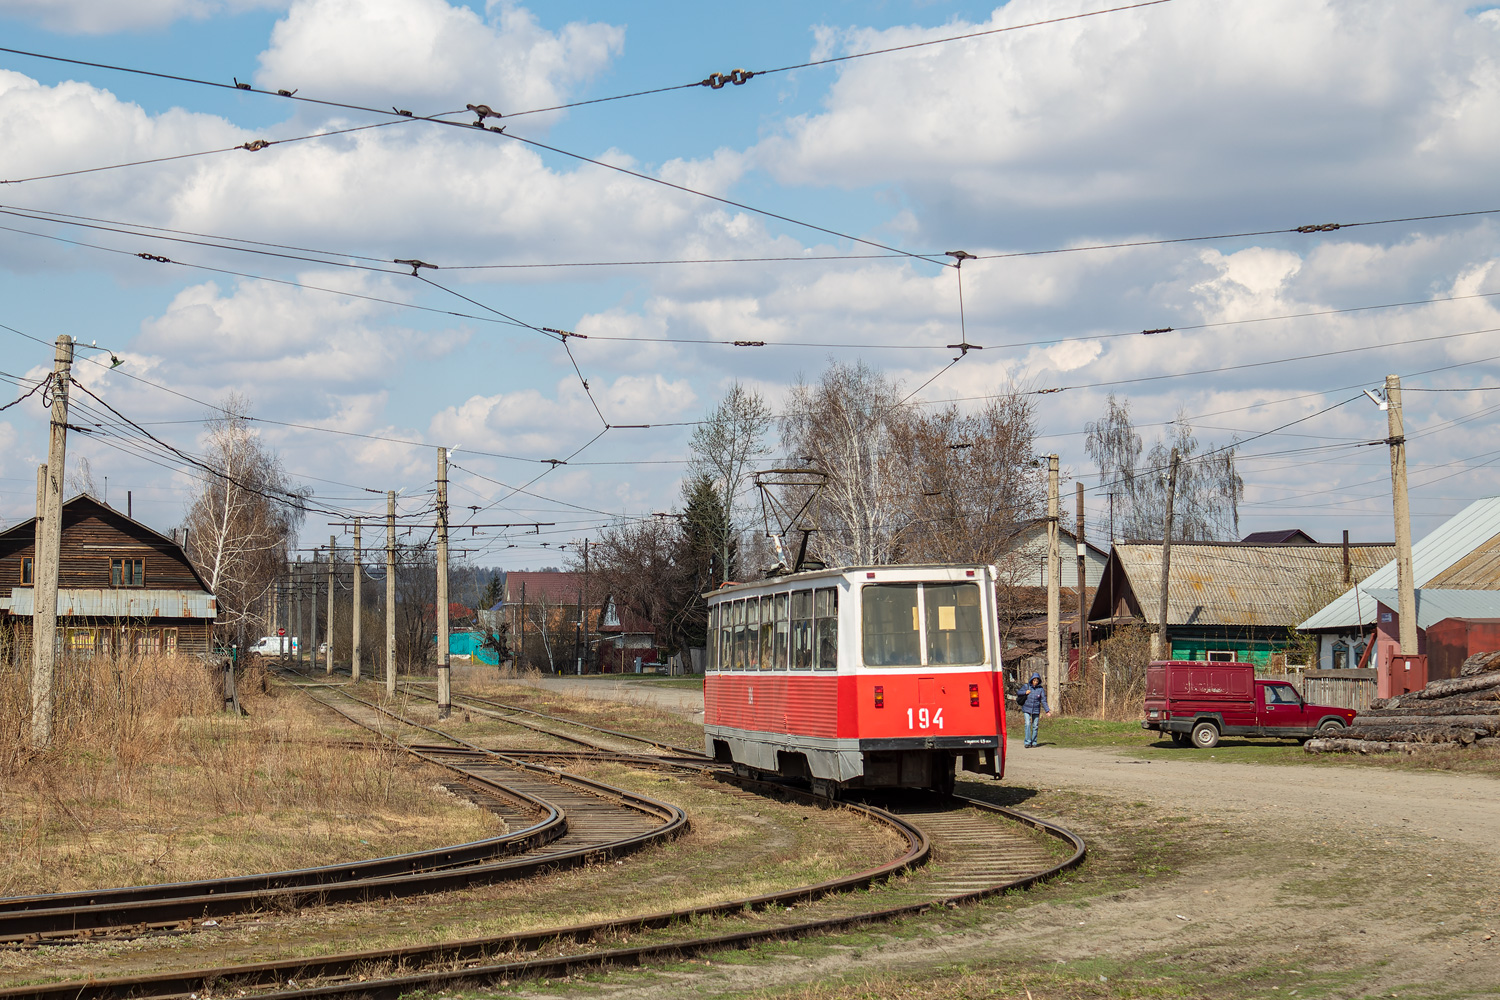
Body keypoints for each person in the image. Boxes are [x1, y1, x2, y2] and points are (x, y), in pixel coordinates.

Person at [1017, 673, 1051, 748]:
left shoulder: (1040, 689)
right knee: (1028, 724)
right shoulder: (1026, 686)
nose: (1035, 682)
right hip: (1026, 708)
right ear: (1032, 680)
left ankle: (1034, 742)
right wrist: (1025, 692)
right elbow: (1018, 692)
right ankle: (1027, 742)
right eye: (1034, 680)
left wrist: (1047, 711)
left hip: (1036, 709)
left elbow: (1043, 700)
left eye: (1037, 681)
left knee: (1035, 726)